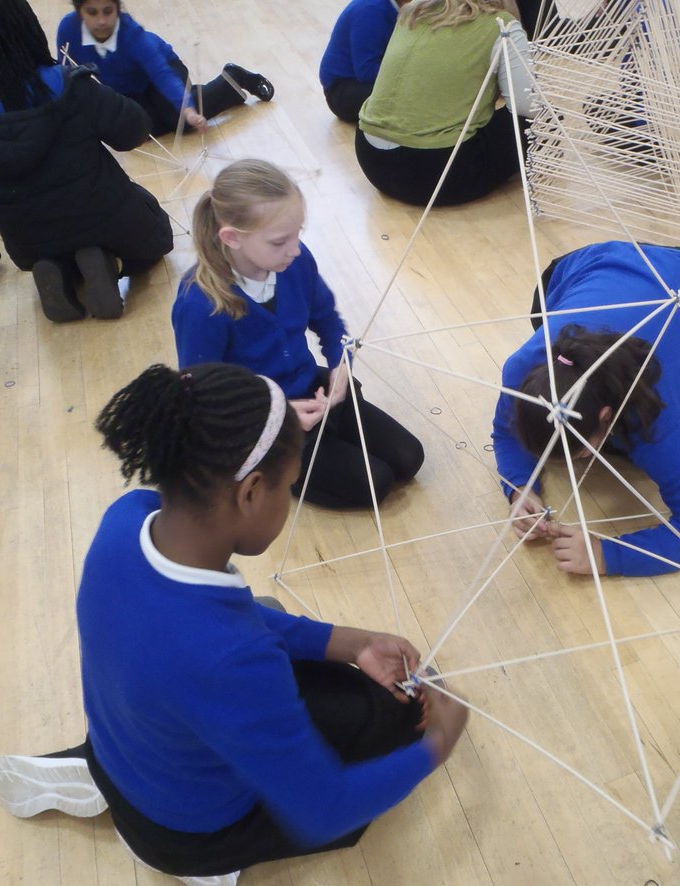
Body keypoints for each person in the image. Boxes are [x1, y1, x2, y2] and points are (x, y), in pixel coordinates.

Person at [0, 362, 468, 886]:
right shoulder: (232, 657)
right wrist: (438, 744)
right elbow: (325, 808)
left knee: (262, 620)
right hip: (186, 836)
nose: (289, 499)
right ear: (252, 492)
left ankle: (99, 774)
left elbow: (223, 621)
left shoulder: (128, 516)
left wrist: (349, 642)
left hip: (124, 744)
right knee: (397, 723)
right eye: (289, 486)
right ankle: (203, 861)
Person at [172, 159, 425, 509]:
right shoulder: (199, 304)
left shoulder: (295, 261)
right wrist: (279, 414)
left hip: (315, 391)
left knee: (409, 457)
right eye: (279, 241)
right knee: (375, 483)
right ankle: (280, 475)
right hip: (263, 425)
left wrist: (341, 365)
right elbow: (200, 397)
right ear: (231, 238)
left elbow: (329, 321)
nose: (294, 248)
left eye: (298, 234)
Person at [492, 241, 680, 576]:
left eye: (581, 452)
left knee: (635, 451)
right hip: (588, 262)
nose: (579, 460)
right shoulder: (523, 368)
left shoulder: (661, 415)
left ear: (605, 415)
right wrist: (519, 487)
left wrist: (605, 555)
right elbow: (506, 432)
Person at [0, 0, 172, 323]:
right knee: (155, 225)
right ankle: (108, 262)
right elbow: (134, 130)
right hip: (108, 217)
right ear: (27, 26)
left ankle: (60, 268)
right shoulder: (66, 83)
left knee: (52, 246)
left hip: (29, 241)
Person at [356, 0, 538, 206]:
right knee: (543, 121)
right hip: (434, 174)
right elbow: (528, 106)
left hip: (370, 156)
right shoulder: (502, 25)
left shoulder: (413, 10)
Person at [56, 0, 274, 137]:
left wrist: (187, 109)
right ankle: (222, 91)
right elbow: (66, 71)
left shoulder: (133, 35)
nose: (101, 20)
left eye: (107, 11)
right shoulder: (68, 29)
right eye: (92, 12)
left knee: (181, 123)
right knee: (144, 129)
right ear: (79, 11)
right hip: (129, 90)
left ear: (117, 8)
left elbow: (161, 73)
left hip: (165, 71)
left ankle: (235, 78)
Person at [319, 0, 408, 124]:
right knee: (411, 94)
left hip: (359, 80)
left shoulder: (393, 7)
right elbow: (366, 71)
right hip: (342, 92)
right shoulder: (372, 10)